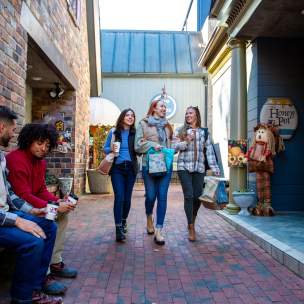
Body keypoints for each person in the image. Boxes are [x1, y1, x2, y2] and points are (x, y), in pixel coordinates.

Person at [0, 105, 62, 304]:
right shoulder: (14, 159)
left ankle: (37, 282)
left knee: (49, 225)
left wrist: (35, 210)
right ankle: (23, 297)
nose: (13, 133)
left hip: (7, 213)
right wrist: (17, 220)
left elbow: (9, 195)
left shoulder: (0, 157)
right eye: (12, 129)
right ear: (1, 127)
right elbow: (23, 193)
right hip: (4, 219)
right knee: (33, 241)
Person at [6, 123, 78, 295]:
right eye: (40, 143)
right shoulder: (16, 159)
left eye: (47, 145)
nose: (43, 148)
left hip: (30, 204)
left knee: (62, 214)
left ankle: (54, 262)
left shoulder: (40, 162)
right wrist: (51, 207)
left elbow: (40, 190)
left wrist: (58, 201)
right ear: (29, 140)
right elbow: (23, 195)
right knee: (50, 218)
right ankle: (43, 275)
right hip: (17, 207)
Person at [175, 106, 220, 242]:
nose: (188, 115)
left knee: (197, 197)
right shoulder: (180, 131)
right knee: (188, 195)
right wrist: (186, 140)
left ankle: (192, 220)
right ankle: (191, 226)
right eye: (187, 113)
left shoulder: (204, 132)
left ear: (196, 115)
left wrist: (215, 167)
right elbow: (174, 147)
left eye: (191, 113)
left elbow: (210, 151)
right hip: (184, 166)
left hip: (199, 168)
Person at [134, 99, 176, 245]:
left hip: (166, 166)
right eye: (162, 106)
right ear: (154, 108)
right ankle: (148, 215)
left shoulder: (168, 126)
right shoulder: (143, 124)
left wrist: (177, 145)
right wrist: (153, 145)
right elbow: (137, 146)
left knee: (162, 196)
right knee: (151, 196)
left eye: (165, 106)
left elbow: (172, 144)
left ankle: (159, 230)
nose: (165, 108)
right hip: (149, 167)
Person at [104, 108, 138, 242]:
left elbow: (140, 150)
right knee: (119, 197)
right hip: (117, 168)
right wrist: (111, 149)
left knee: (127, 199)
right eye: (127, 115)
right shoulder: (114, 132)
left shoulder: (135, 133)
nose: (130, 117)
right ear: (122, 117)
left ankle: (123, 221)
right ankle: (118, 229)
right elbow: (105, 149)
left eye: (132, 116)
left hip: (131, 169)